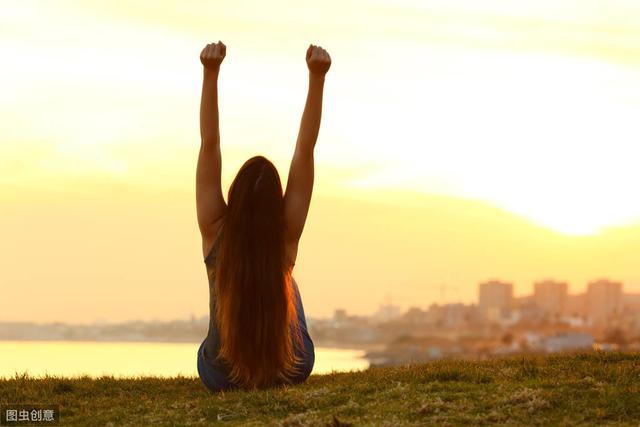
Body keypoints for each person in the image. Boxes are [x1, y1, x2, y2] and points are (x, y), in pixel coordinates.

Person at [195, 40, 331, 391]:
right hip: (288, 369)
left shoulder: (214, 228)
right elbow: (306, 148)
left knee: (279, 276)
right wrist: (317, 78)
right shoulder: (285, 234)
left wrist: (211, 74)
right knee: (286, 279)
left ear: (233, 197)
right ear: (277, 203)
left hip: (221, 374)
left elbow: (209, 144)